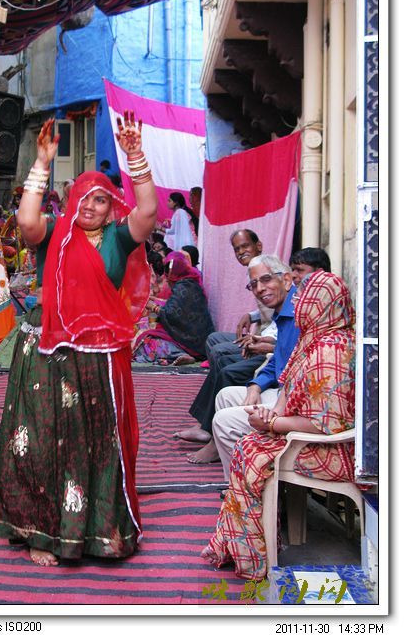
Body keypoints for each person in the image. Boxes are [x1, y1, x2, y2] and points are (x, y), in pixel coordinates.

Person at [0, 111, 157, 566]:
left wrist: (136, 157)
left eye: (100, 200)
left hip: (101, 359)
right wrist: (42, 162)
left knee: (100, 443)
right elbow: (26, 220)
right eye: (83, 198)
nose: (90, 206)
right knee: (42, 440)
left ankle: (99, 532)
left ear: (111, 207)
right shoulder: (54, 234)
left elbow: (148, 211)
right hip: (48, 351)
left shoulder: (119, 240)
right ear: (70, 200)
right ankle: (41, 532)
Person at [201, 270, 356, 580]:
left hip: (330, 451)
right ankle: (243, 542)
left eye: (304, 298)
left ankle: (254, 552)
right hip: (302, 433)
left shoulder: (331, 351)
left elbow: (324, 425)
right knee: (248, 445)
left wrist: (273, 423)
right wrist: (270, 415)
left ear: (320, 304)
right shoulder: (313, 337)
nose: (297, 303)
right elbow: (286, 384)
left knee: (250, 451)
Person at [187, 255, 300, 464]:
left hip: (293, 401)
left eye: (266, 280)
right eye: (254, 284)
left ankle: (244, 479)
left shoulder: (299, 313)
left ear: (286, 280)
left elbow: (296, 375)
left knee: (223, 419)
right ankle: (238, 466)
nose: (260, 289)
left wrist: (275, 413)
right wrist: (256, 386)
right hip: (283, 391)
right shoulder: (283, 311)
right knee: (225, 396)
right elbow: (278, 360)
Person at [174, 229, 272, 444]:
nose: (241, 252)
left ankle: (208, 426)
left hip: (270, 345)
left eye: (245, 246)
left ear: (259, 246)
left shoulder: (270, 271)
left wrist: (263, 340)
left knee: (221, 356)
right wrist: (252, 316)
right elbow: (271, 310)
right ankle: (207, 415)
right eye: (237, 249)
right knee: (214, 339)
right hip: (265, 338)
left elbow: (282, 319)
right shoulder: (256, 271)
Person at [133, 251, 214, 366]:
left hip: (189, 344)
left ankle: (179, 354)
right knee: (144, 325)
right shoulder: (191, 284)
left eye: (168, 273)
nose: (167, 278)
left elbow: (171, 314)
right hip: (198, 341)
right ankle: (177, 355)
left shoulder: (182, 287)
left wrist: (154, 307)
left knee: (147, 340)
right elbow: (176, 309)